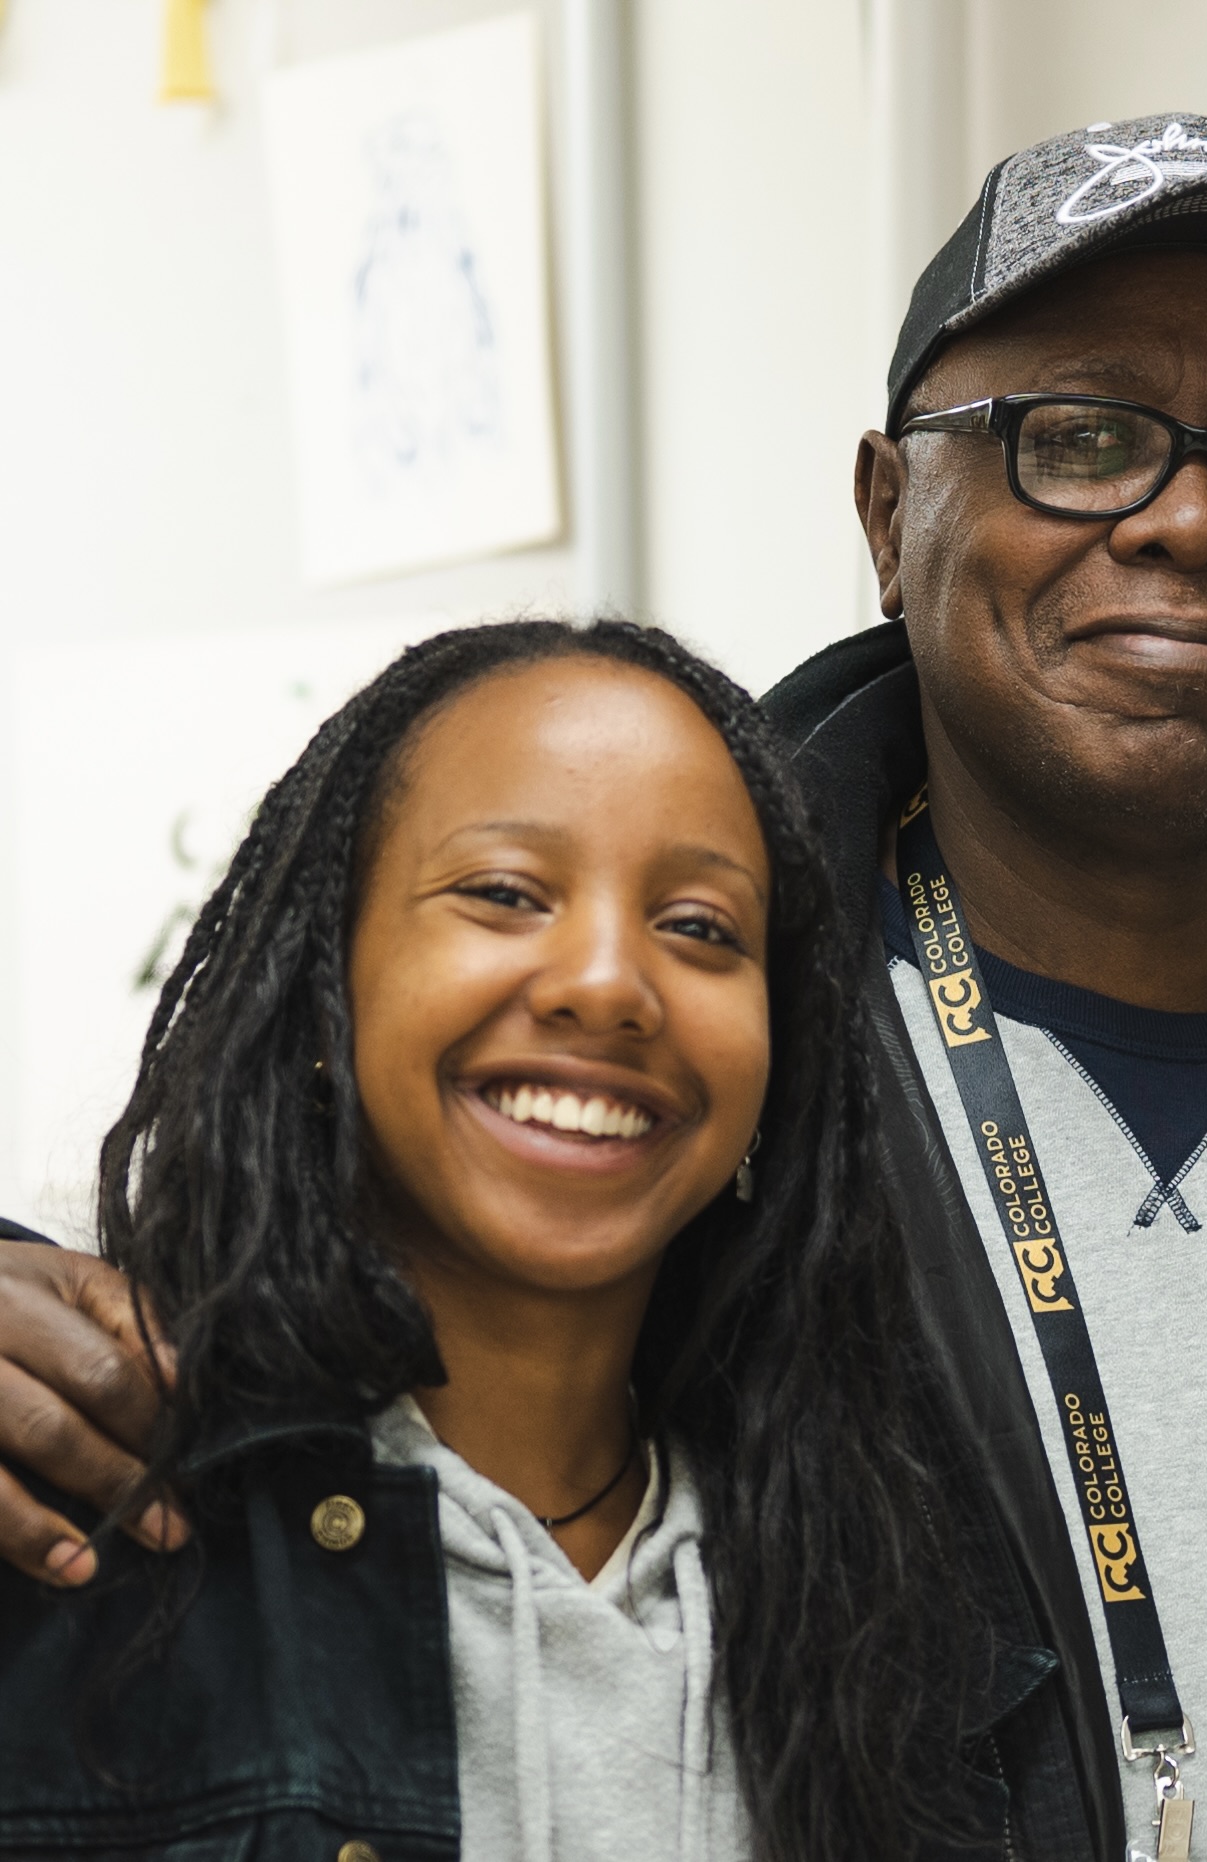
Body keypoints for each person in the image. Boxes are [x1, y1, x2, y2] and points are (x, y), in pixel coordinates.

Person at [0, 119, 1207, 1860]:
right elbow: (273, 1309)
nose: (1189, 520)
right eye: (1077, 439)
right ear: (886, 509)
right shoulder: (706, 1084)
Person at [0, 622, 1022, 1859]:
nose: (609, 982)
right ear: (323, 988)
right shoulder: (72, 1493)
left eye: (701, 926)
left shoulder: (876, 1595)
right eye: (503, 893)